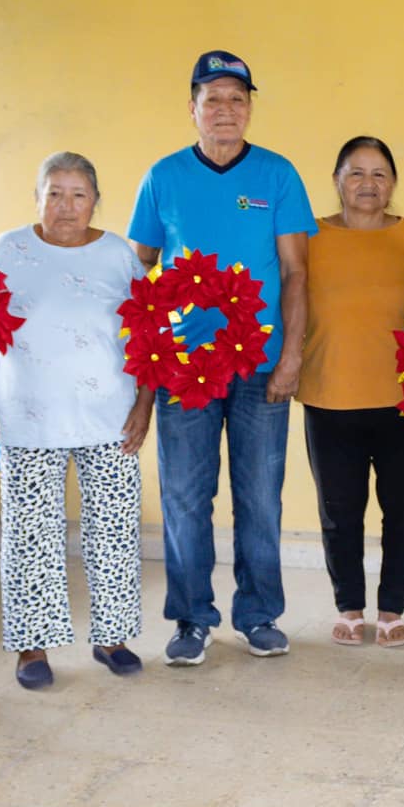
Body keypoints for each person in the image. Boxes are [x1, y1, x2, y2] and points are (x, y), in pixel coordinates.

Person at [127, 51, 317, 665]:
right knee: (185, 496)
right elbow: (136, 272)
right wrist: (148, 359)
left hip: (261, 368)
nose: (226, 110)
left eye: (238, 98)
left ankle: (259, 615)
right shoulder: (162, 177)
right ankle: (191, 619)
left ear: (250, 108)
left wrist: (291, 357)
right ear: (193, 108)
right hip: (185, 371)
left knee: (260, 497)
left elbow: (296, 271)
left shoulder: (277, 175)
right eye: (214, 99)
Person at [0, 152, 155, 690]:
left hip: (109, 415)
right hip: (28, 415)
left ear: (95, 201)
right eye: (54, 193)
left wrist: (145, 403)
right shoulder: (6, 250)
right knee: (30, 535)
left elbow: (150, 332)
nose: (66, 206)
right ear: (37, 197)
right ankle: (32, 648)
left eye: (78, 195)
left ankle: (113, 638)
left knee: (114, 528)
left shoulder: (118, 256)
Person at [302, 137, 404, 649]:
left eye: (380, 174)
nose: (368, 184)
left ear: (393, 183)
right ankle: (350, 607)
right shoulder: (309, 236)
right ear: (337, 179)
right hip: (329, 395)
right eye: (356, 173)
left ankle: (392, 609)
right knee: (340, 512)